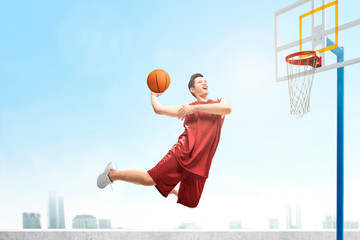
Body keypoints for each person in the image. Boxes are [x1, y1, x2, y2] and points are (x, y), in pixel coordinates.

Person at [97, 73, 232, 208]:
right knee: (148, 179)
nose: (204, 83)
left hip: (201, 163)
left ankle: (168, 186)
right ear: (192, 90)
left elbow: (228, 109)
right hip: (182, 154)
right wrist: (153, 96)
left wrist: (195, 108)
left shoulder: (218, 104)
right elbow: (159, 109)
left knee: (191, 202)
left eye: (205, 81)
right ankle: (111, 175)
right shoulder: (185, 108)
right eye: (200, 82)